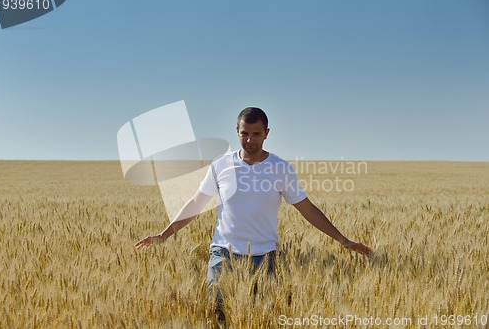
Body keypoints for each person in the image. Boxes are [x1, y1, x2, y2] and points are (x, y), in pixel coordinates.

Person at [135, 107, 371, 323]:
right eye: (244, 133)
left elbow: (307, 208)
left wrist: (343, 240)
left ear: (267, 133)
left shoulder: (280, 168)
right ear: (236, 131)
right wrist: (164, 235)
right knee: (218, 314)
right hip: (223, 252)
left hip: (264, 256)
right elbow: (197, 203)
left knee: (261, 317)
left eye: (256, 134)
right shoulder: (221, 165)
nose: (250, 139)